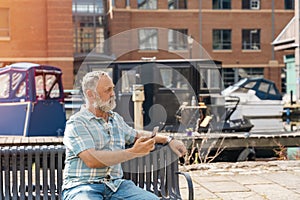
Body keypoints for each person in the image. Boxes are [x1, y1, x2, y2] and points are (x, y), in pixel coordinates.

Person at [62, 71, 187, 200]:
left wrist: (169, 139)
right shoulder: (77, 123)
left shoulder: (115, 119)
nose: (112, 94)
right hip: (82, 187)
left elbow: (137, 134)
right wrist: (133, 152)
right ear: (91, 95)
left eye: (113, 89)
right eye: (107, 90)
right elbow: (92, 160)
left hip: (116, 187)